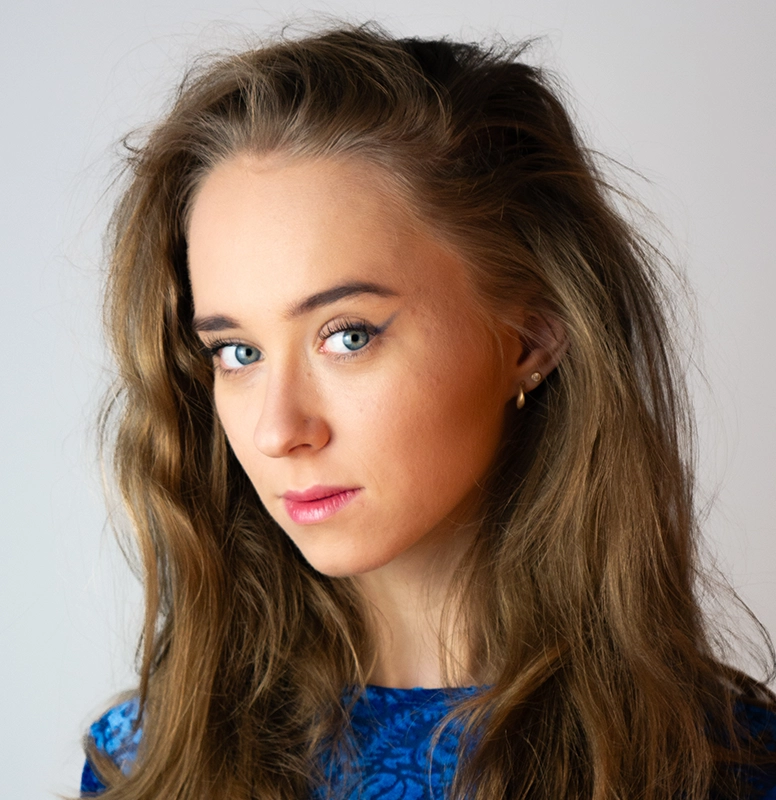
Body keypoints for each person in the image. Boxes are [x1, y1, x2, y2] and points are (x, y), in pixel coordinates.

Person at [78, 23, 776, 800]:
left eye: (347, 336)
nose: (278, 431)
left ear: (531, 335)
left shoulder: (726, 771)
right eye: (238, 352)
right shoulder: (147, 767)